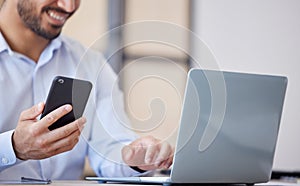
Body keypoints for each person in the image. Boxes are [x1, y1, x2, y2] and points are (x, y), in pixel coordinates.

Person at [0, 0, 173, 180]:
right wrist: (12, 147)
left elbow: (108, 149)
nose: (69, 7)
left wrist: (133, 159)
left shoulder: (91, 63)